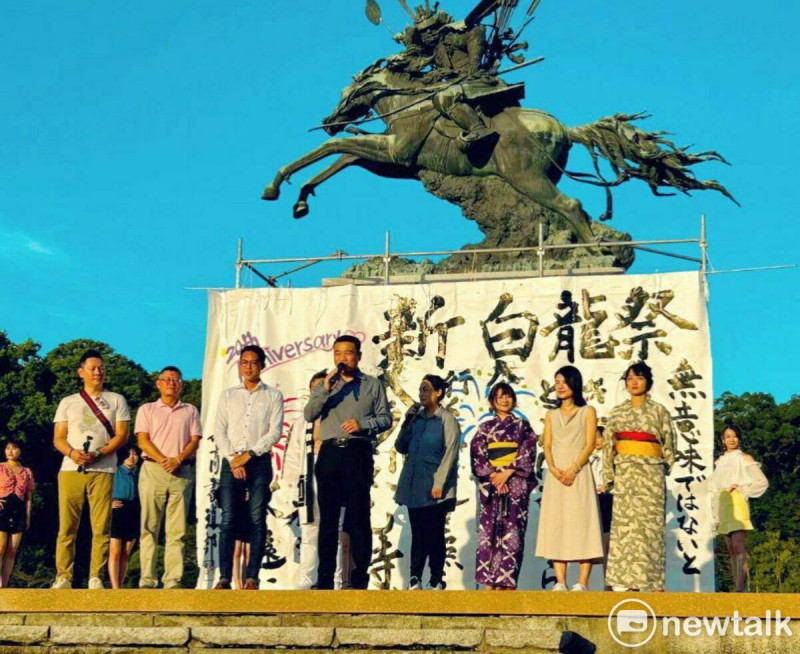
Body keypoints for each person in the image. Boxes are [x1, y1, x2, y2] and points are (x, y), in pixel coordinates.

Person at [304, 335, 392, 590]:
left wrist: (362, 424)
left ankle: (359, 579)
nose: (343, 358)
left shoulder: (372, 385)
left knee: (358, 518)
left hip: (357, 452)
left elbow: (385, 418)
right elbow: (309, 414)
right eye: (338, 353)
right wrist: (326, 389)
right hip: (330, 454)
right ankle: (324, 580)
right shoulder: (326, 386)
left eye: (348, 353)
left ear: (359, 356)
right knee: (328, 520)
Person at [52, 349, 130, 589]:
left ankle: (96, 576)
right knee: (67, 526)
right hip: (71, 469)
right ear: (81, 372)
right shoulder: (68, 402)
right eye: (93, 368)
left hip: (104, 468)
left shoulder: (117, 399)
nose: (98, 372)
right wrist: (73, 453)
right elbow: (58, 438)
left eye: (101, 368)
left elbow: (121, 435)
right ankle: (64, 576)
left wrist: (98, 453)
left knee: (101, 525)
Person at [214, 345, 284, 590]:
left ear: (262, 365)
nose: (248, 366)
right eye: (244, 362)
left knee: (256, 518)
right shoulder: (228, 395)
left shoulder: (273, 395)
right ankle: (224, 578)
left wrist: (250, 454)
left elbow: (274, 431)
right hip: (230, 462)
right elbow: (219, 430)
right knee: (228, 519)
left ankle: (252, 576)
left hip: (259, 462)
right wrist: (233, 458)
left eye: (254, 362)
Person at [603, 362, 676, 592]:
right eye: (630, 378)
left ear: (648, 382)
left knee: (650, 529)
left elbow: (669, 442)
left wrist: (664, 465)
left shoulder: (659, 411)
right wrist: (609, 475)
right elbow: (608, 445)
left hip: (651, 474)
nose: (634, 382)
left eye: (639, 378)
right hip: (626, 473)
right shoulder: (617, 412)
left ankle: (653, 583)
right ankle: (627, 584)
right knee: (626, 530)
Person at [535, 366, 603, 591]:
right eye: (557, 382)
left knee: (583, 522)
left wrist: (573, 468)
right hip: (556, 475)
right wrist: (553, 469)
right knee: (558, 523)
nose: (560, 386)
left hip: (580, 472)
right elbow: (547, 444)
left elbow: (590, 443)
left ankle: (582, 582)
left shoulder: (587, 411)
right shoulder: (551, 415)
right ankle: (561, 581)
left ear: (574, 383)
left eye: (564, 381)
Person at [135, 366, 202, 589]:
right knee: (149, 526)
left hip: (181, 471)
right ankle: (147, 577)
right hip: (153, 469)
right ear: (158, 383)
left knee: (177, 530)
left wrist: (178, 459)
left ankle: (173, 578)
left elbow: (194, 440)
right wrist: (165, 459)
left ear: (181, 384)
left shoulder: (190, 410)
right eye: (167, 379)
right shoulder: (147, 409)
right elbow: (143, 440)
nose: (171, 383)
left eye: (176, 380)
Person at [283, 370, 350, 589]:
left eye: (323, 387)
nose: (318, 391)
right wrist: (290, 487)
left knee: (335, 531)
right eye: (315, 389)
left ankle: (336, 580)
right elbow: (293, 456)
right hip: (308, 475)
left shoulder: (338, 416)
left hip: (334, 475)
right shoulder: (303, 422)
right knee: (310, 530)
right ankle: (307, 579)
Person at [395, 374, 461, 590]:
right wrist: (407, 420)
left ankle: (436, 578)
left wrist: (439, 483)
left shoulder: (446, 419)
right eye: (420, 389)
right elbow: (400, 446)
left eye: (426, 389)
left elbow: (450, 452)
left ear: (438, 393)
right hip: (414, 483)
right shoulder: (416, 418)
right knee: (418, 532)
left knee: (434, 532)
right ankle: (415, 577)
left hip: (434, 485)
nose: (421, 394)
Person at [470, 382, 537, 590]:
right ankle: (489, 582)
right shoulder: (484, 428)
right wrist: (494, 476)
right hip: (492, 484)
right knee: (488, 533)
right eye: (500, 397)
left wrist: (508, 472)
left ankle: (507, 582)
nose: (505, 400)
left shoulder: (522, 427)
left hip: (515, 483)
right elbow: (477, 455)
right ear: (492, 401)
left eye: (508, 396)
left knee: (513, 532)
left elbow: (528, 451)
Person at [710, 424, 768, 592]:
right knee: (730, 549)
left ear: (739, 438)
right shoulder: (719, 462)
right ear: (723, 440)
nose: (731, 439)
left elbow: (762, 482)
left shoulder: (745, 459)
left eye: (734, 436)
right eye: (728, 436)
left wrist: (742, 489)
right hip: (723, 502)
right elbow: (713, 487)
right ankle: (737, 586)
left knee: (738, 546)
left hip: (737, 501)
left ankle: (741, 588)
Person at [0, 440, 34, 587]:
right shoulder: (0, 467)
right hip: (2, 507)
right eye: (7, 448)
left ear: (20, 450)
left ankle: (5, 584)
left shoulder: (26, 471)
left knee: (12, 550)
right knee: (0, 547)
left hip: (18, 509)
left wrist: (27, 516)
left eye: (14, 448)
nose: (10, 451)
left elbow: (28, 498)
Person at [107, 446, 140, 589]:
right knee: (115, 552)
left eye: (135, 454)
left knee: (126, 553)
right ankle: (115, 587)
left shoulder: (139, 472)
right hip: (118, 509)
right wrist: (109, 502)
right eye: (129, 455)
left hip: (134, 509)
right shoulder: (116, 470)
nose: (132, 457)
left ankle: (120, 585)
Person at [589, 426, 613, 590]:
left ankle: (608, 583)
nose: (597, 441)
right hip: (590, 499)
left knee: (607, 541)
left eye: (600, 437)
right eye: (595, 437)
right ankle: (584, 583)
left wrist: (608, 486)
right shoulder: (588, 457)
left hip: (607, 498)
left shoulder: (611, 457)